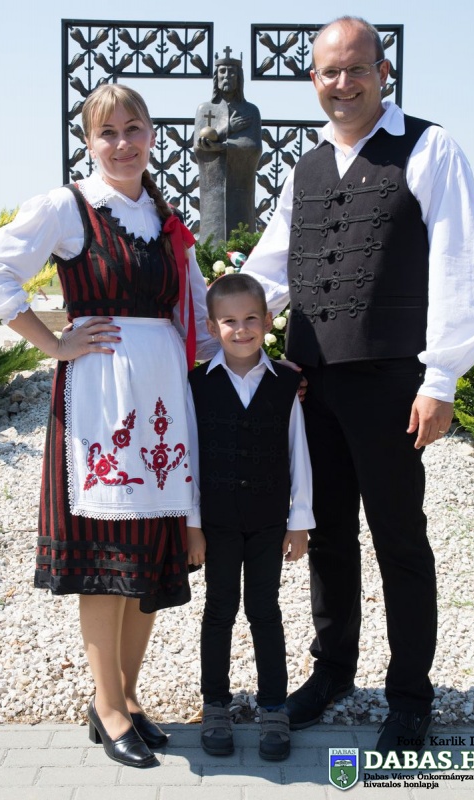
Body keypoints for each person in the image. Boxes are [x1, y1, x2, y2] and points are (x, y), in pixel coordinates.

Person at [242, 16, 474, 756]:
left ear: (383, 73)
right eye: (329, 71)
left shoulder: (429, 147)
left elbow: (460, 263)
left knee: (398, 540)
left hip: (391, 384)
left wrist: (441, 377)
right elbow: (270, 270)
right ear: (313, 80)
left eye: (356, 69)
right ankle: (332, 672)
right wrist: (209, 325)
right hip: (311, 383)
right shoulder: (306, 167)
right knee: (327, 535)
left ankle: (410, 697)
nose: (343, 83)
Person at [0, 83, 218, 768]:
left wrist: (261, 362)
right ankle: (106, 707)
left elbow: (199, 315)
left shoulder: (165, 218)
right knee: (106, 562)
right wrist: (54, 343)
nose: (122, 143)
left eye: (133, 128)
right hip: (101, 405)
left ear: (152, 135)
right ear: (88, 142)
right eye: (107, 132)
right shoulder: (69, 206)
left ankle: (127, 698)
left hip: (163, 408)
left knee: (148, 560)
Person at [186, 273, 315, 761]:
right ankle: (215, 704)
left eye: (251, 319)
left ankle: (274, 707)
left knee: (265, 610)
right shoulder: (196, 384)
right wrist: (192, 526)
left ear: (267, 320)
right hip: (216, 523)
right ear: (212, 326)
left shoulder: (286, 384)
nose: (241, 330)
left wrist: (299, 520)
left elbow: (298, 453)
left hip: (268, 521)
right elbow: (188, 457)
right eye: (229, 321)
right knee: (219, 610)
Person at [194, 48, 262, 242]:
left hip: (240, 185)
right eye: (222, 72)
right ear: (216, 77)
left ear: (239, 77)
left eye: (232, 72)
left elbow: (253, 147)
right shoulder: (205, 109)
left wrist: (223, 146)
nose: (227, 76)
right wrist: (228, 128)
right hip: (212, 185)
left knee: (241, 233)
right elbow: (199, 146)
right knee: (212, 235)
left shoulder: (250, 111)